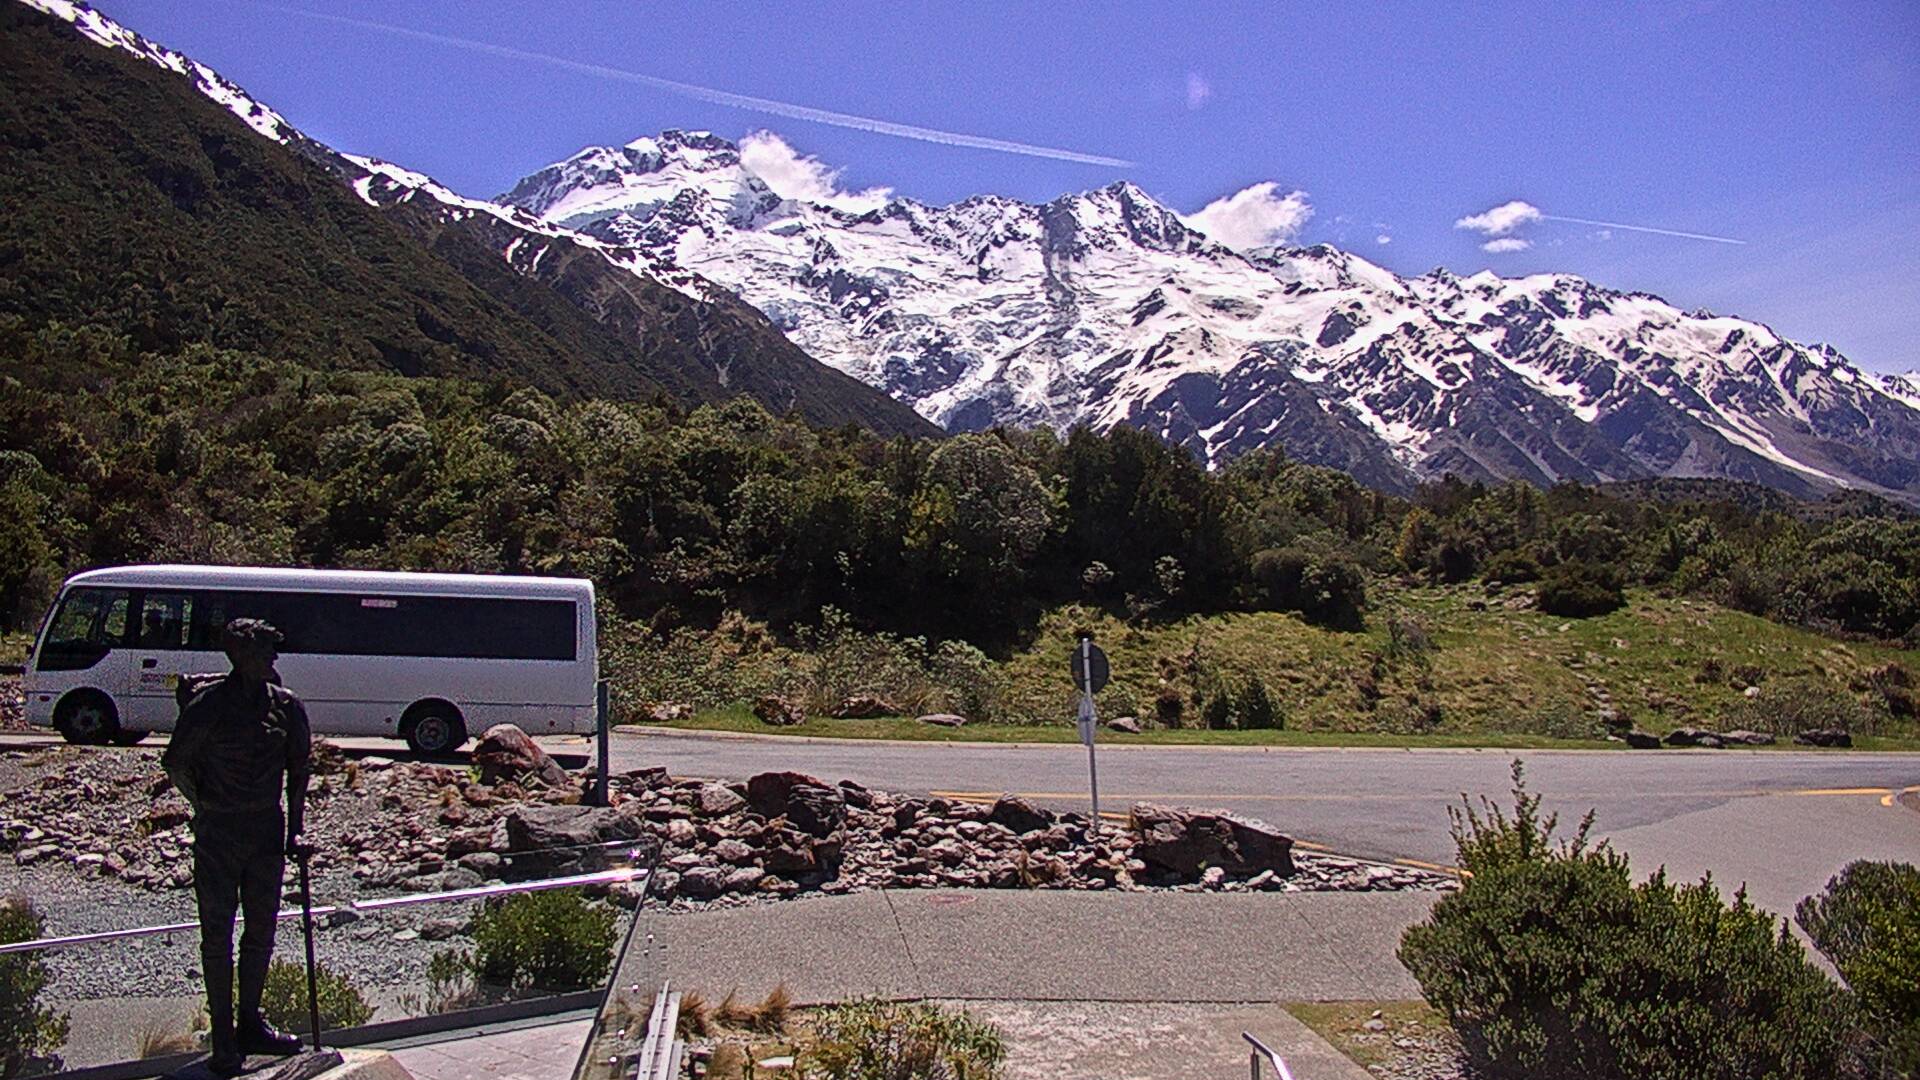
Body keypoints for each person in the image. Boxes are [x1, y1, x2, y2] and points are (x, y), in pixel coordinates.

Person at [161, 618, 312, 1075]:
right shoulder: (208, 706)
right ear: (241, 655)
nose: (274, 657)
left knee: (262, 931)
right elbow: (176, 763)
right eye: (266, 650)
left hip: (266, 830)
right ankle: (223, 1036)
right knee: (217, 936)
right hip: (219, 833)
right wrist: (205, 802)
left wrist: (296, 830)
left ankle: (250, 1023)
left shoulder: (287, 706)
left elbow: (298, 771)